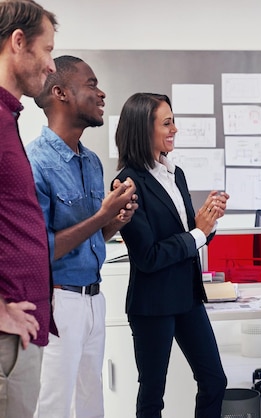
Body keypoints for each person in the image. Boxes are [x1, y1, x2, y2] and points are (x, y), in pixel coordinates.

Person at [26, 55, 138, 418]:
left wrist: (114, 221)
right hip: (59, 303)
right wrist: (102, 215)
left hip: (94, 298)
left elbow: (90, 237)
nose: (101, 93)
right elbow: (41, 250)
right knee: (54, 406)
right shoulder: (35, 163)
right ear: (60, 92)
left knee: (92, 405)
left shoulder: (90, 161)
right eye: (91, 84)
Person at [114, 92, 228, 418]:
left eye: (173, 120)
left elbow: (190, 232)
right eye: (167, 123)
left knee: (214, 380)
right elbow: (148, 255)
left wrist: (208, 221)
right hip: (152, 304)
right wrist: (198, 232)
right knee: (153, 395)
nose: (174, 129)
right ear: (142, 129)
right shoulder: (126, 183)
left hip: (187, 297)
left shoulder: (175, 173)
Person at [0, 1, 57, 416]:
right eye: (48, 49)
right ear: (18, 42)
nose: (51, 65)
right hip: (7, 339)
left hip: (20, 336)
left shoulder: (9, 119)